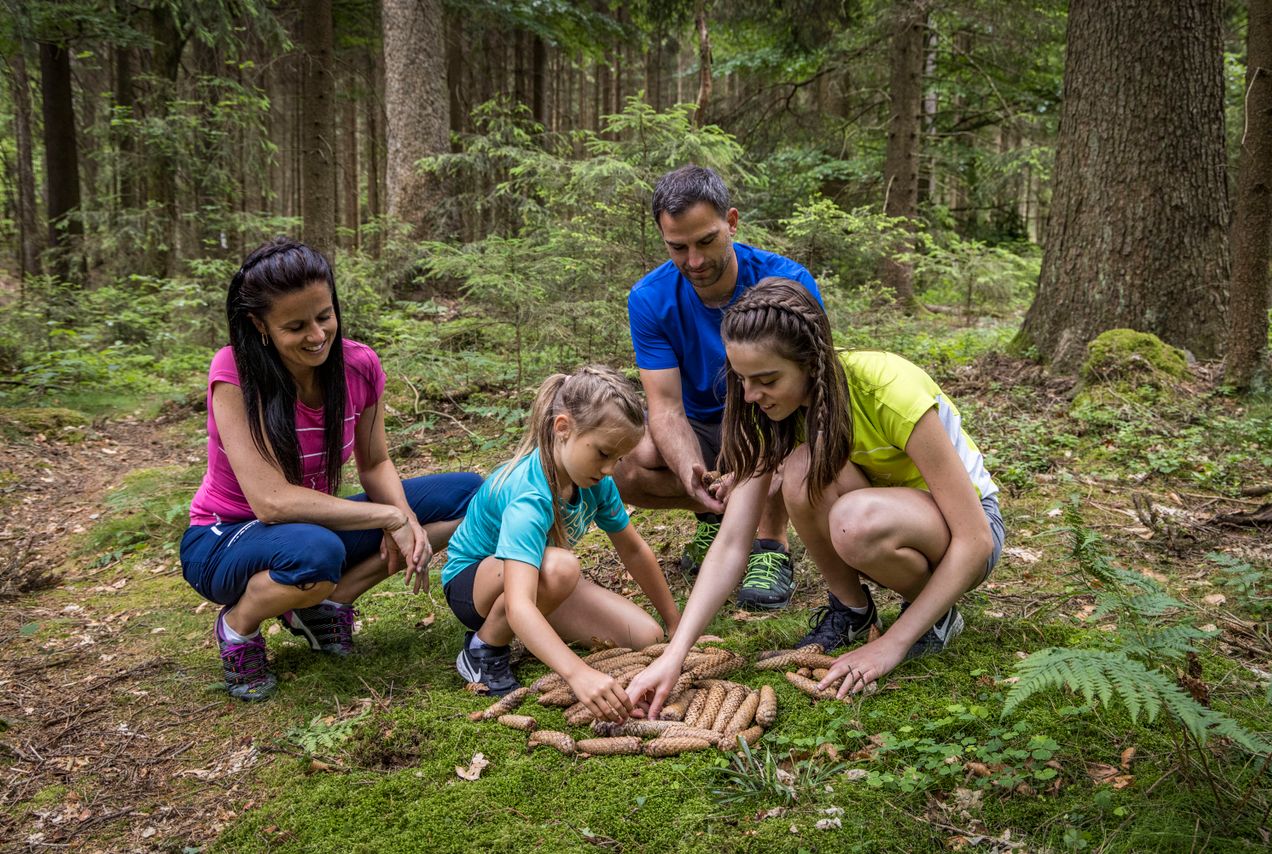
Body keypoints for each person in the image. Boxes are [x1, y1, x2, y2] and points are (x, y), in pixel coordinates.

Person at [627, 279, 1004, 715]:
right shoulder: (775, 412)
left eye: (767, 379)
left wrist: (892, 647)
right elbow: (731, 542)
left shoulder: (888, 388)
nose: (750, 395)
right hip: (884, 517)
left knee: (854, 520)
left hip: (967, 532)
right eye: (743, 379)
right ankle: (852, 610)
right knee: (802, 469)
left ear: (811, 363)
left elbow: (975, 537)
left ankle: (932, 619)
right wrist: (675, 656)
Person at [180, 238, 482, 702]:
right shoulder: (235, 373)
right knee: (315, 552)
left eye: (324, 317)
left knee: (471, 496)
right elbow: (272, 502)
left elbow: (376, 462)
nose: (317, 335)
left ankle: (324, 606)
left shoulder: (359, 366)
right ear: (260, 325)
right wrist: (389, 517)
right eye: (296, 325)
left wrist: (405, 518)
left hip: (311, 525)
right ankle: (238, 628)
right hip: (226, 537)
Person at [614, 165, 823, 610]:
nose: (694, 261)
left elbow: (813, 395)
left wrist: (753, 468)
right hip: (703, 425)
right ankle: (714, 513)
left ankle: (770, 544)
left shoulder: (785, 282)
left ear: (731, 222)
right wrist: (693, 475)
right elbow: (665, 407)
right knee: (624, 462)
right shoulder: (650, 299)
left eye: (706, 241)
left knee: (778, 419)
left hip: (775, 420)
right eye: (678, 247)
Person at [441, 366, 680, 720]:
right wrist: (578, 674)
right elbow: (521, 603)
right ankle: (484, 647)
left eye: (618, 458)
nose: (610, 468)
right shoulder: (528, 496)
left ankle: (537, 632)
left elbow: (633, 549)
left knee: (645, 635)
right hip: (475, 583)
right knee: (561, 567)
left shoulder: (598, 483)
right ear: (563, 428)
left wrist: (675, 625)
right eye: (602, 453)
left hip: (539, 576)